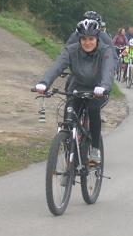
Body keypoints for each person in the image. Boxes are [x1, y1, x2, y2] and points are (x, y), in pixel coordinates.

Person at [35, 19, 115, 162]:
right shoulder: (71, 50)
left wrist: (104, 86)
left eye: (91, 39)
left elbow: (108, 70)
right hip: (77, 88)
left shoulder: (106, 51)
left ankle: (95, 148)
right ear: (79, 39)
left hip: (98, 90)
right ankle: (69, 152)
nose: (87, 42)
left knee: (93, 110)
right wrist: (44, 82)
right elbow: (57, 67)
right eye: (83, 39)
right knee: (69, 116)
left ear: (97, 38)